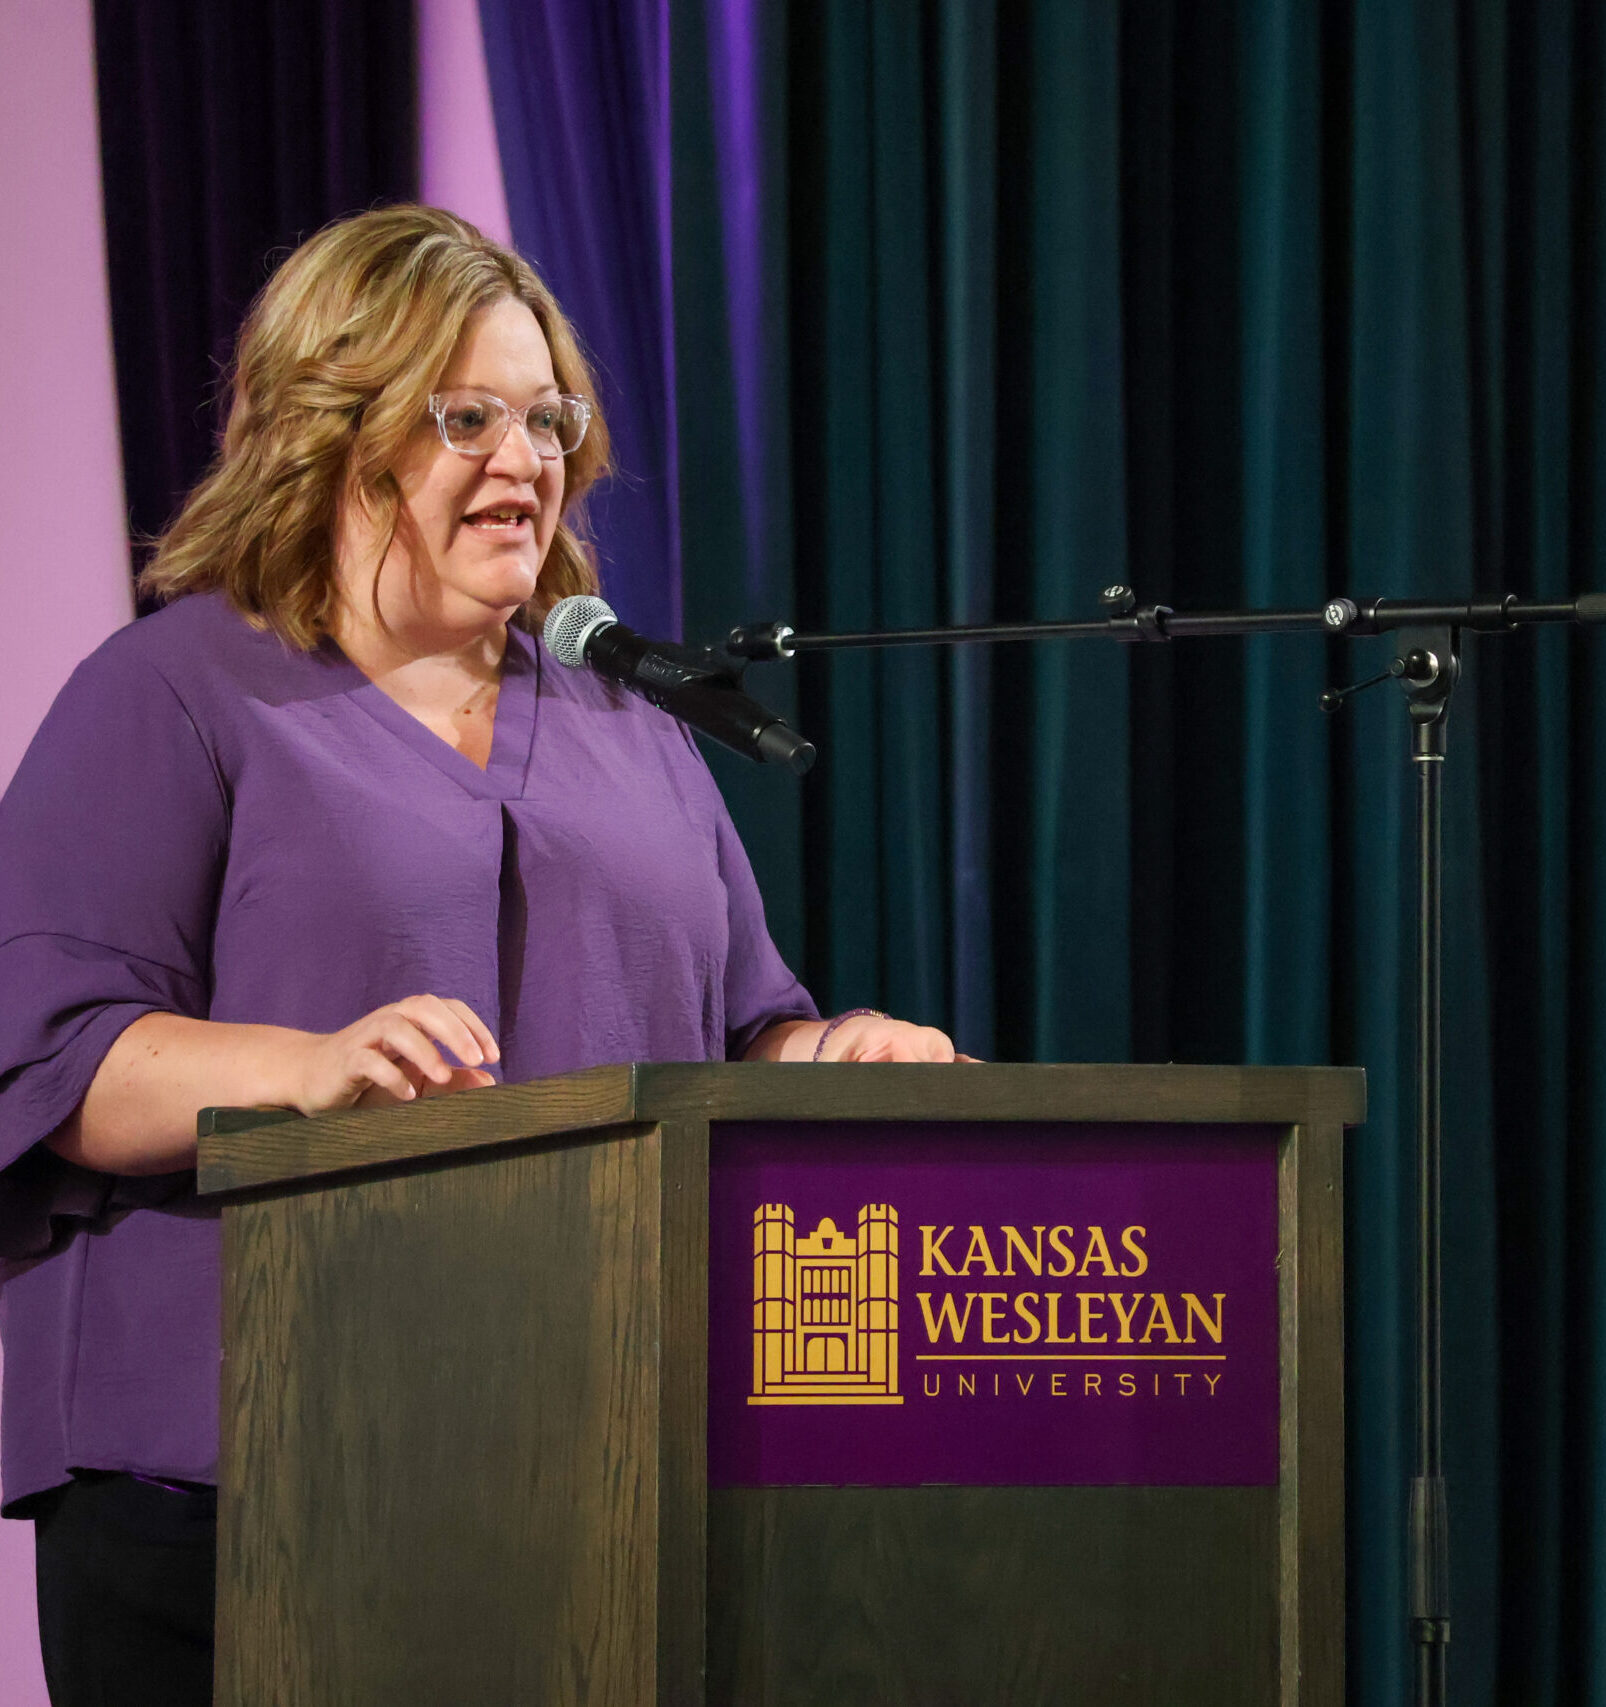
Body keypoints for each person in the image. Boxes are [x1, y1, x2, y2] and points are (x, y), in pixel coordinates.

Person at [0, 204, 957, 1706]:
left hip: (584, 1467)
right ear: (333, 432)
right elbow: (54, 1058)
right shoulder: (176, 692)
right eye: (467, 418)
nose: (526, 461)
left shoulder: (631, 725)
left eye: (547, 419)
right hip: (238, 1479)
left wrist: (833, 1058)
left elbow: (740, 1029)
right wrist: (308, 1068)